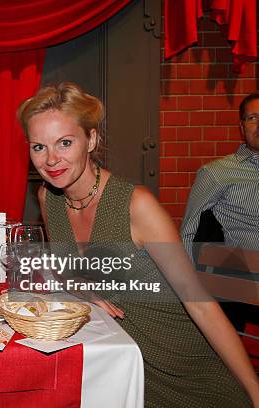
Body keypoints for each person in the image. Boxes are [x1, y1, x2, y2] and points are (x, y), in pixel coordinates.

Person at [17, 82, 258, 407]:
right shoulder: (49, 199)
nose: (51, 159)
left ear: (91, 140)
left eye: (64, 142)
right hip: (121, 364)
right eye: (39, 147)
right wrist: (81, 289)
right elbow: (64, 268)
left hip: (181, 366)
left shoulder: (135, 205)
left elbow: (200, 303)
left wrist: (254, 391)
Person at [180, 92, 259, 261]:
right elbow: (188, 234)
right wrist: (189, 285)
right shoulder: (216, 173)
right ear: (242, 127)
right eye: (252, 118)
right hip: (248, 278)